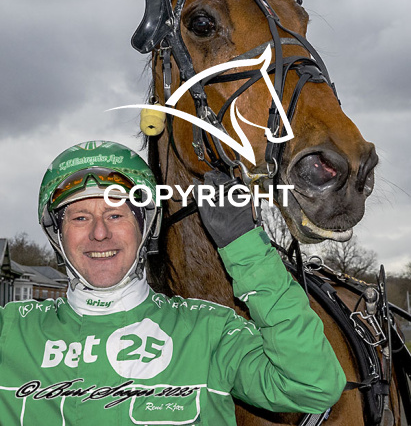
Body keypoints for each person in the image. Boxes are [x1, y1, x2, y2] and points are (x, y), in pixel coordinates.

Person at [0, 140, 346, 425]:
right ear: (57, 235)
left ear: (146, 227)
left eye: (116, 214)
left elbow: (312, 386)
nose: (99, 233)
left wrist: (246, 248)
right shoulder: (11, 331)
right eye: (79, 217)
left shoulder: (210, 331)